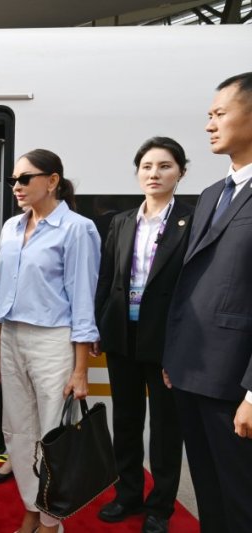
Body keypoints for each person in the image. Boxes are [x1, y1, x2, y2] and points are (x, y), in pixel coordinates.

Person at [0, 149, 100, 533]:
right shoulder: (11, 228)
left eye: (25, 179)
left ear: (52, 181)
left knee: (53, 435)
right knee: (18, 431)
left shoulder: (77, 228)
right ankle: (31, 508)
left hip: (54, 341)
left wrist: (81, 368)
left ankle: (52, 520)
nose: (16, 186)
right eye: (13, 180)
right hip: (12, 337)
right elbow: (0, 292)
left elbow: (83, 299)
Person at [163, 72, 252, 532]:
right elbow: (189, 283)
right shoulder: (214, 194)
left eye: (219, 114)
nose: (209, 125)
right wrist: (172, 357)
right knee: (209, 497)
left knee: (243, 502)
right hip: (192, 374)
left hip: (237, 386)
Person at [94, 137, 192, 533]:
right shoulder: (120, 221)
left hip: (165, 339)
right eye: (147, 166)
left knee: (167, 428)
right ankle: (128, 493)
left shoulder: (192, 220)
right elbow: (106, 279)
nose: (155, 173)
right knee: (127, 420)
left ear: (181, 172)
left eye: (165, 166)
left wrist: (182, 345)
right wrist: (100, 325)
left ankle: (160, 508)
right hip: (123, 334)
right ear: (137, 173)